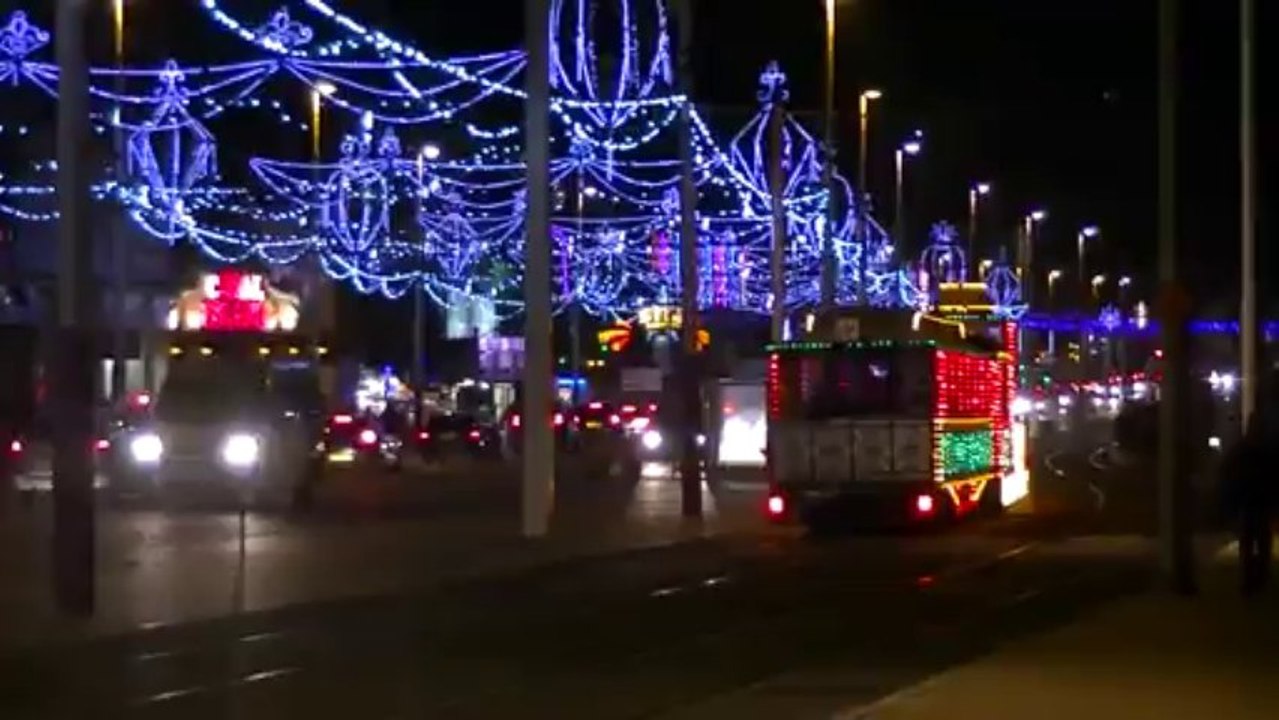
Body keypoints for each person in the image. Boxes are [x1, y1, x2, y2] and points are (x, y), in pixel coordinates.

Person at [1222, 403, 1278, 595]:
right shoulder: (1265, 452)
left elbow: (1229, 476)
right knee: (1258, 544)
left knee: (1251, 544)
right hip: (1256, 504)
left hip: (1251, 504)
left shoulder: (1243, 451)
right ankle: (1256, 579)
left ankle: (1251, 581)